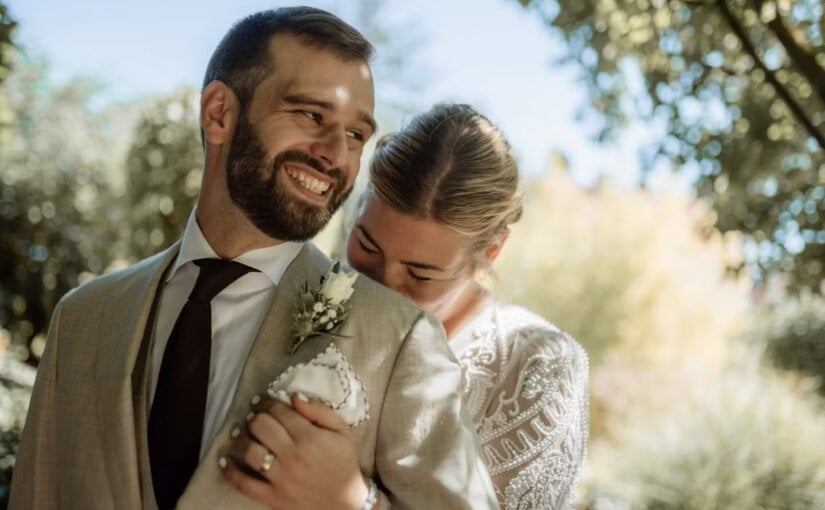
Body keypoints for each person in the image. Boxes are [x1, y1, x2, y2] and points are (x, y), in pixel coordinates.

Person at [9, 10, 497, 510]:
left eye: (355, 135)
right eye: (312, 115)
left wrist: (355, 502)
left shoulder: (401, 339)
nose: (336, 154)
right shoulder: (84, 319)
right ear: (219, 112)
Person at [345, 103, 590, 509]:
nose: (383, 286)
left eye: (420, 274)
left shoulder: (538, 367)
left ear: (491, 251)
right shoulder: (309, 295)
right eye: (367, 246)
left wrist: (356, 501)